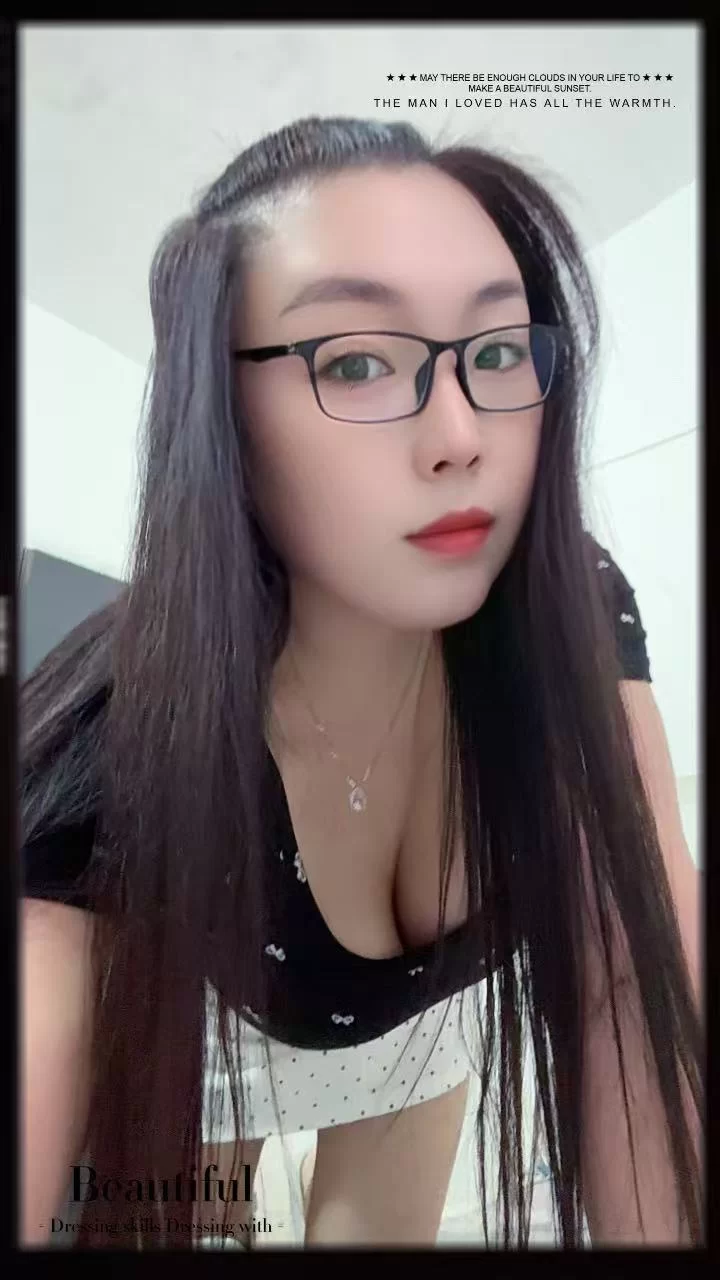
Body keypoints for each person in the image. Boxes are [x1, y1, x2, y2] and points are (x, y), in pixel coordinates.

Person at [19, 115, 702, 1251]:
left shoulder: (567, 604)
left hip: (428, 1035)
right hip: (209, 1046)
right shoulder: (103, 767)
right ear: (217, 417)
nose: (461, 435)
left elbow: (637, 978)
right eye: (355, 361)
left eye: (497, 352)